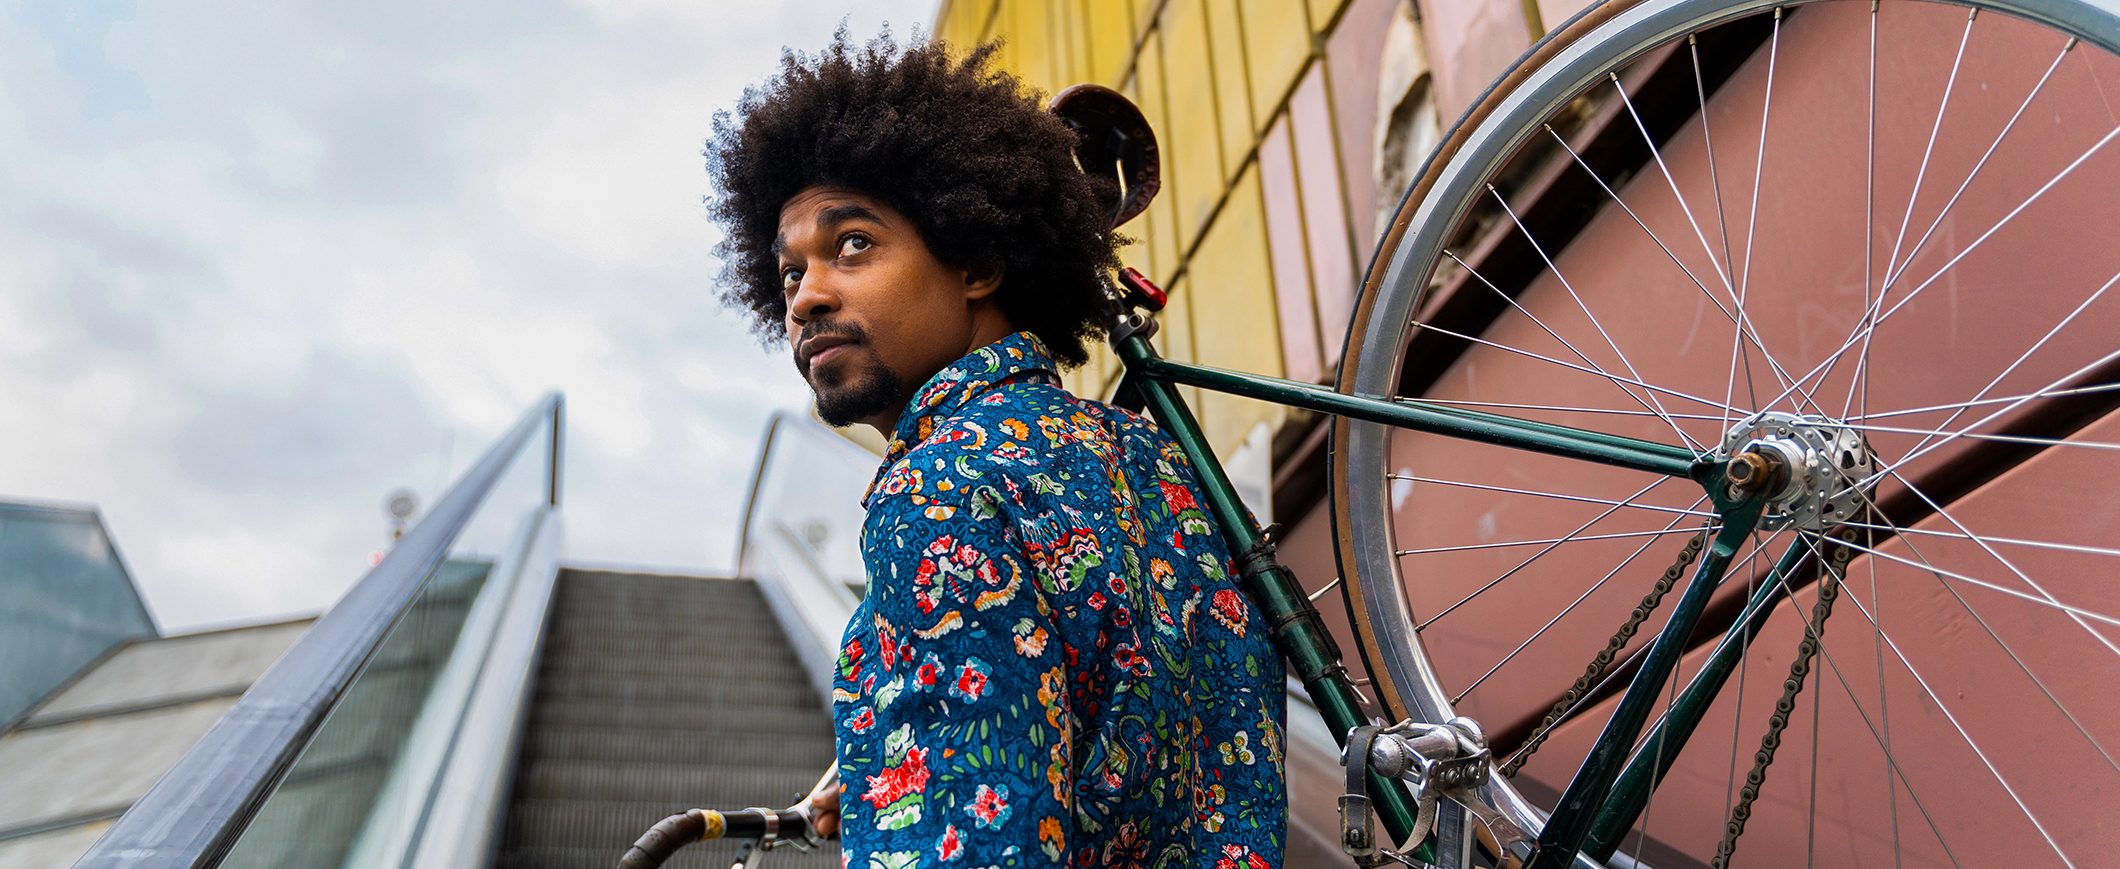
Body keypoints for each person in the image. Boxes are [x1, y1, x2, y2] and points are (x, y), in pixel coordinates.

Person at [706, 31, 1286, 868]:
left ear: (976, 260)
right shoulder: (1149, 453)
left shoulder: (936, 489)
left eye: (853, 243)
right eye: (790, 272)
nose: (807, 297)